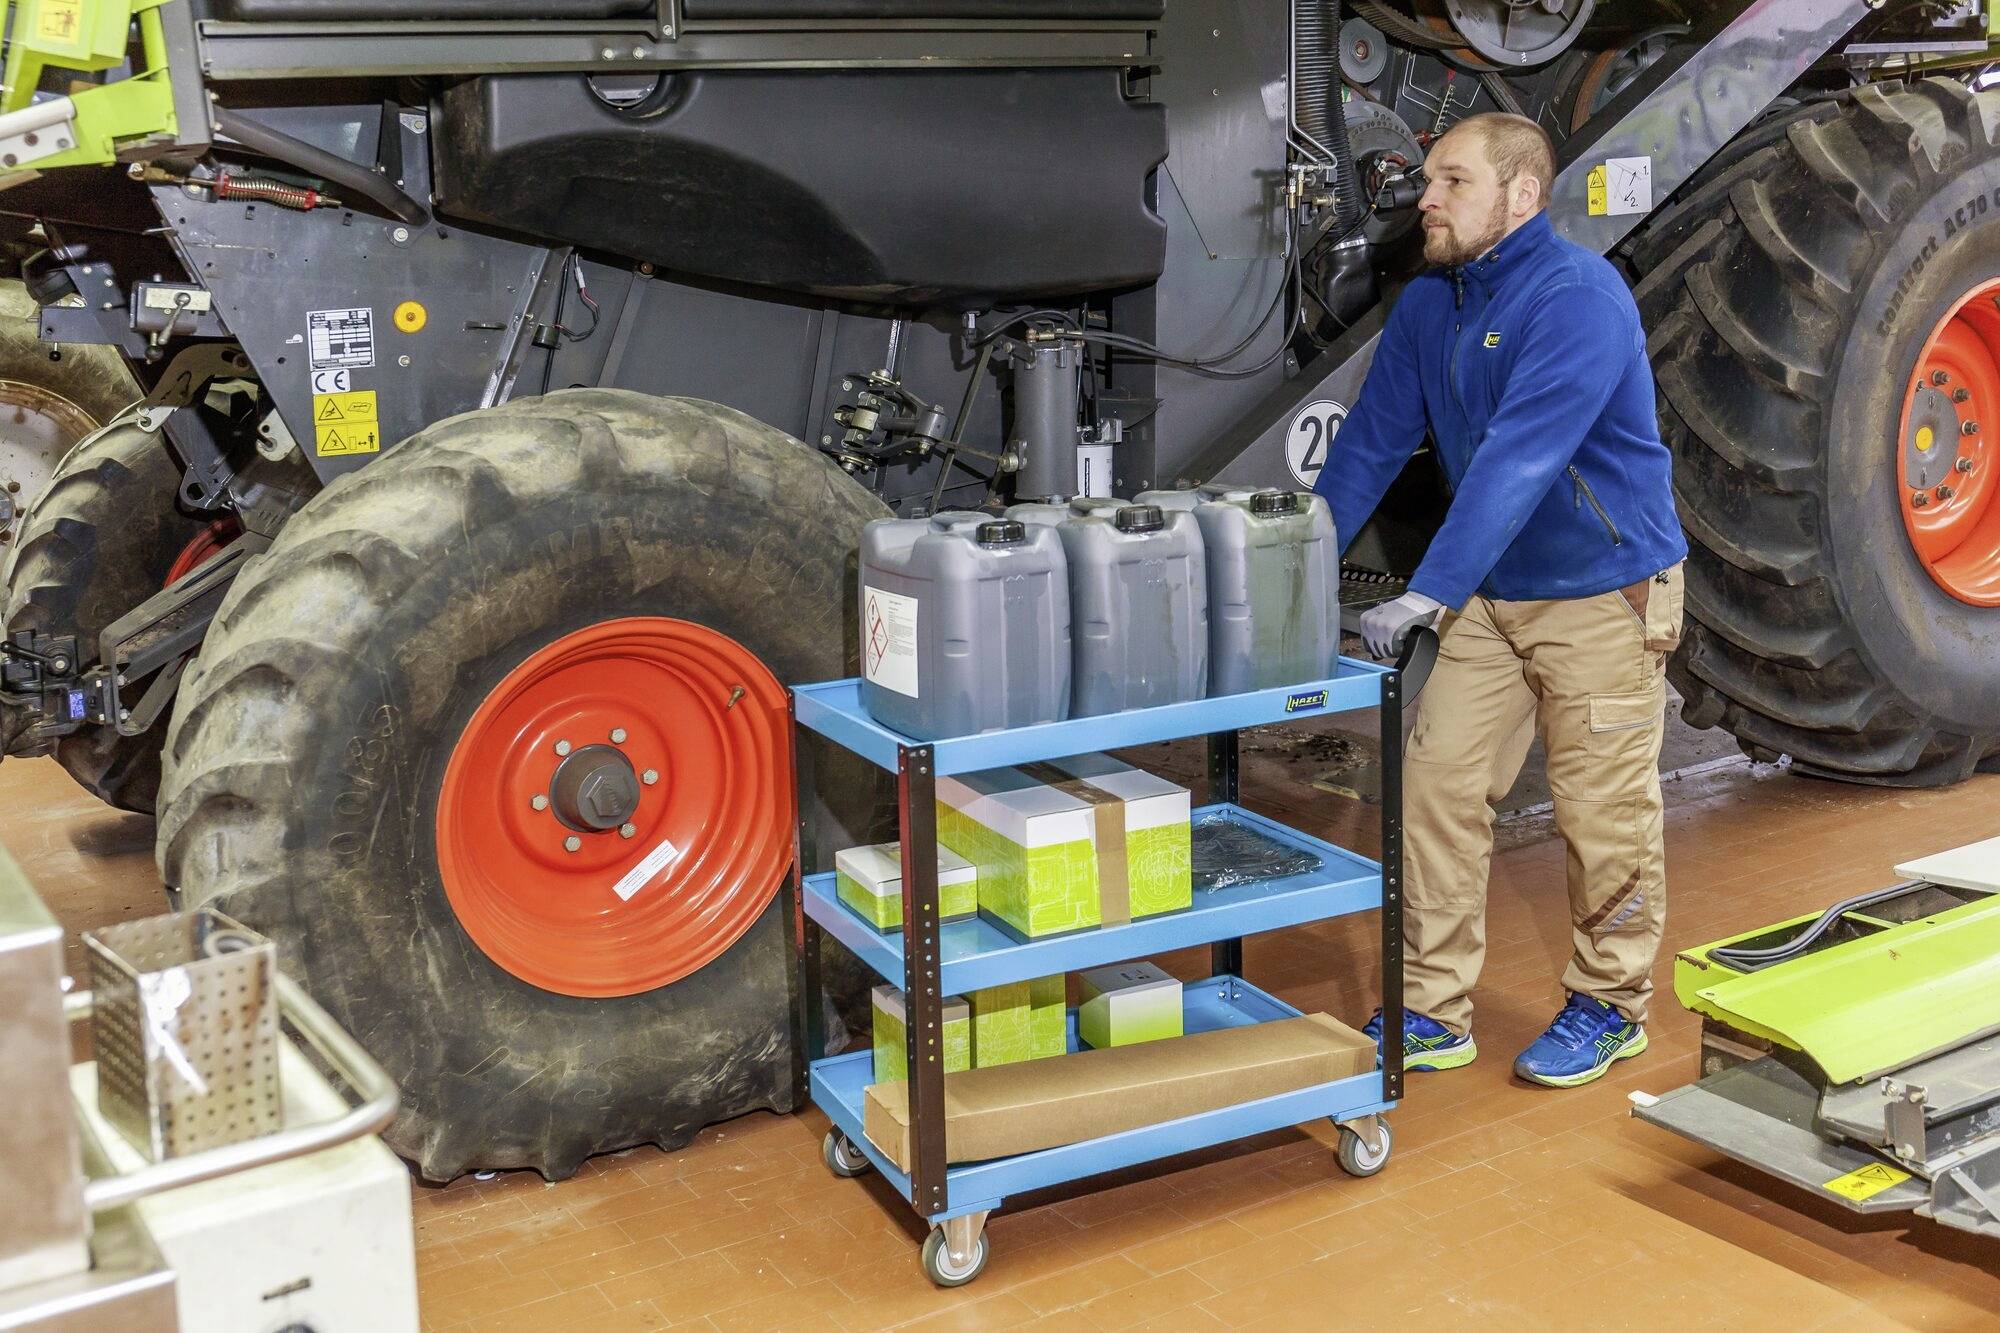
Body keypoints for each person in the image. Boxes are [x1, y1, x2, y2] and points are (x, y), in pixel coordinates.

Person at [1315, 112, 1688, 1088]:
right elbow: (1367, 445)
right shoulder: (1428, 305)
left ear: (1520, 196)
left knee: (1600, 809)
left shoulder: (1578, 298)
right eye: (1429, 180)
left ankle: (1610, 1002)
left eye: (1451, 181)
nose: (1424, 198)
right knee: (1433, 787)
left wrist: (1427, 590)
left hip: (1600, 590)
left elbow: (1523, 457)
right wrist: (1294, 567)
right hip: (1490, 589)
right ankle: (1429, 1007)